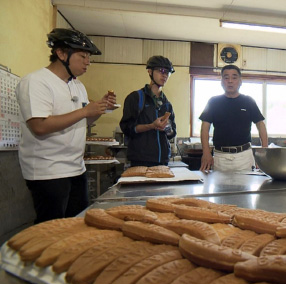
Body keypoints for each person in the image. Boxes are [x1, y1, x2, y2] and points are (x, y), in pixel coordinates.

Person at [16, 28, 117, 224]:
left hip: (76, 168)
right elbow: (39, 125)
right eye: (82, 56)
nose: (88, 62)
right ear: (61, 53)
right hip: (48, 171)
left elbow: (83, 120)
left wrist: (98, 109)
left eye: (88, 57)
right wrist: (85, 111)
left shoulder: (77, 85)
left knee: (78, 225)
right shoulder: (36, 82)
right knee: (52, 229)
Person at [199, 64, 268, 172]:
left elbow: (260, 124)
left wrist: (264, 151)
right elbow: (205, 128)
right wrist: (206, 153)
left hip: (244, 157)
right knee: (219, 189)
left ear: (240, 81)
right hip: (220, 157)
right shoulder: (213, 102)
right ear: (221, 81)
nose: (230, 81)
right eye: (226, 77)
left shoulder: (248, 101)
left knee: (245, 189)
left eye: (234, 77)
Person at [119, 56, 177, 167]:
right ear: (150, 71)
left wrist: (167, 128)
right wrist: (151, 126)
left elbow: (172, 133)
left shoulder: (167, 104)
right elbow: (127, 128)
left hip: (163, 160)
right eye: (161, 71)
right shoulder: (136, 98)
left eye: (168, 72)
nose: (164, 75)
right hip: (140, 160)